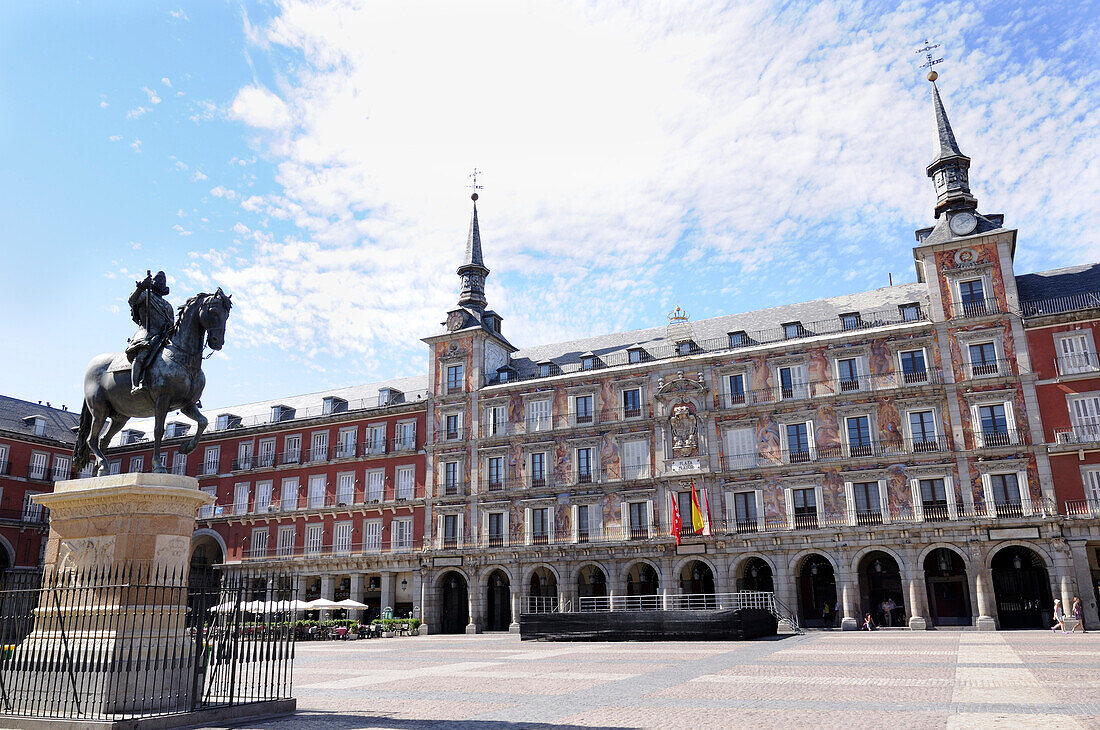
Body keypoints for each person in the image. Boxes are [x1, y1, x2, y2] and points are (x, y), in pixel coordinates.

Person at [126, 270, 175, 395]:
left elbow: (171, 323)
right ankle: (135, 384)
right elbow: (132, 300)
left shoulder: (168, 306)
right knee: (142, 354)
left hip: (163, 336)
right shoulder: (145, 295)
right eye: (158, 280)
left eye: (163, 281)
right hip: (147, 332)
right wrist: (141, 287)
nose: (160, 283)